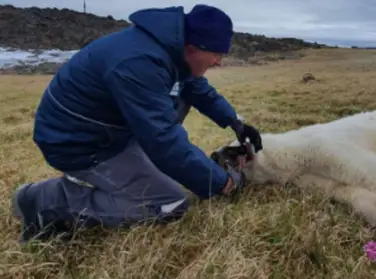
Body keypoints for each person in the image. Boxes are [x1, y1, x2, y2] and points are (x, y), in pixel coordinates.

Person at [11, 4, 263, 244]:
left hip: (110, 131)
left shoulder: (172, 52)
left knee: (168, 165)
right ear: (194, 46)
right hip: (77, 141)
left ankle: (130, 169)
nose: (219, 61)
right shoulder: (139, 63)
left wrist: (237, 123)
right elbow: (163, 140)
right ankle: (44, 201)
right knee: (169, 202)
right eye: (217, 53)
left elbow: (198, 90)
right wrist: (221, 182)